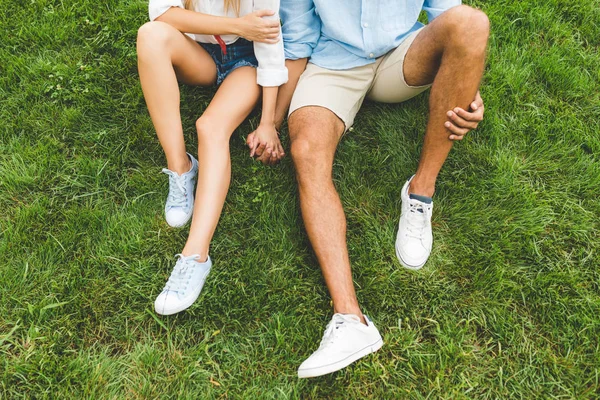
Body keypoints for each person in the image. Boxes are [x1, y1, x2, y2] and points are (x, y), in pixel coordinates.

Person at [247, 0, 489, 378]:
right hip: (333, 62)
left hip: (403, 57)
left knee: (471, 22)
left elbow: (448, 21)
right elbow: (297, 40)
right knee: (307, 150)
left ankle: (420, 191)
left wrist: (467, 87)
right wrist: (271, 121)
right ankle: (350, 319)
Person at [138, 0, 300, 316]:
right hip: (199, 53)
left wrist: (268, 122)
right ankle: (181, 168)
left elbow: (269, 47)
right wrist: (238, 25)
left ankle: (195, 256)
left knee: (210, 127)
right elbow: (161, 13)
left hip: (247, 62)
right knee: (150, 35)